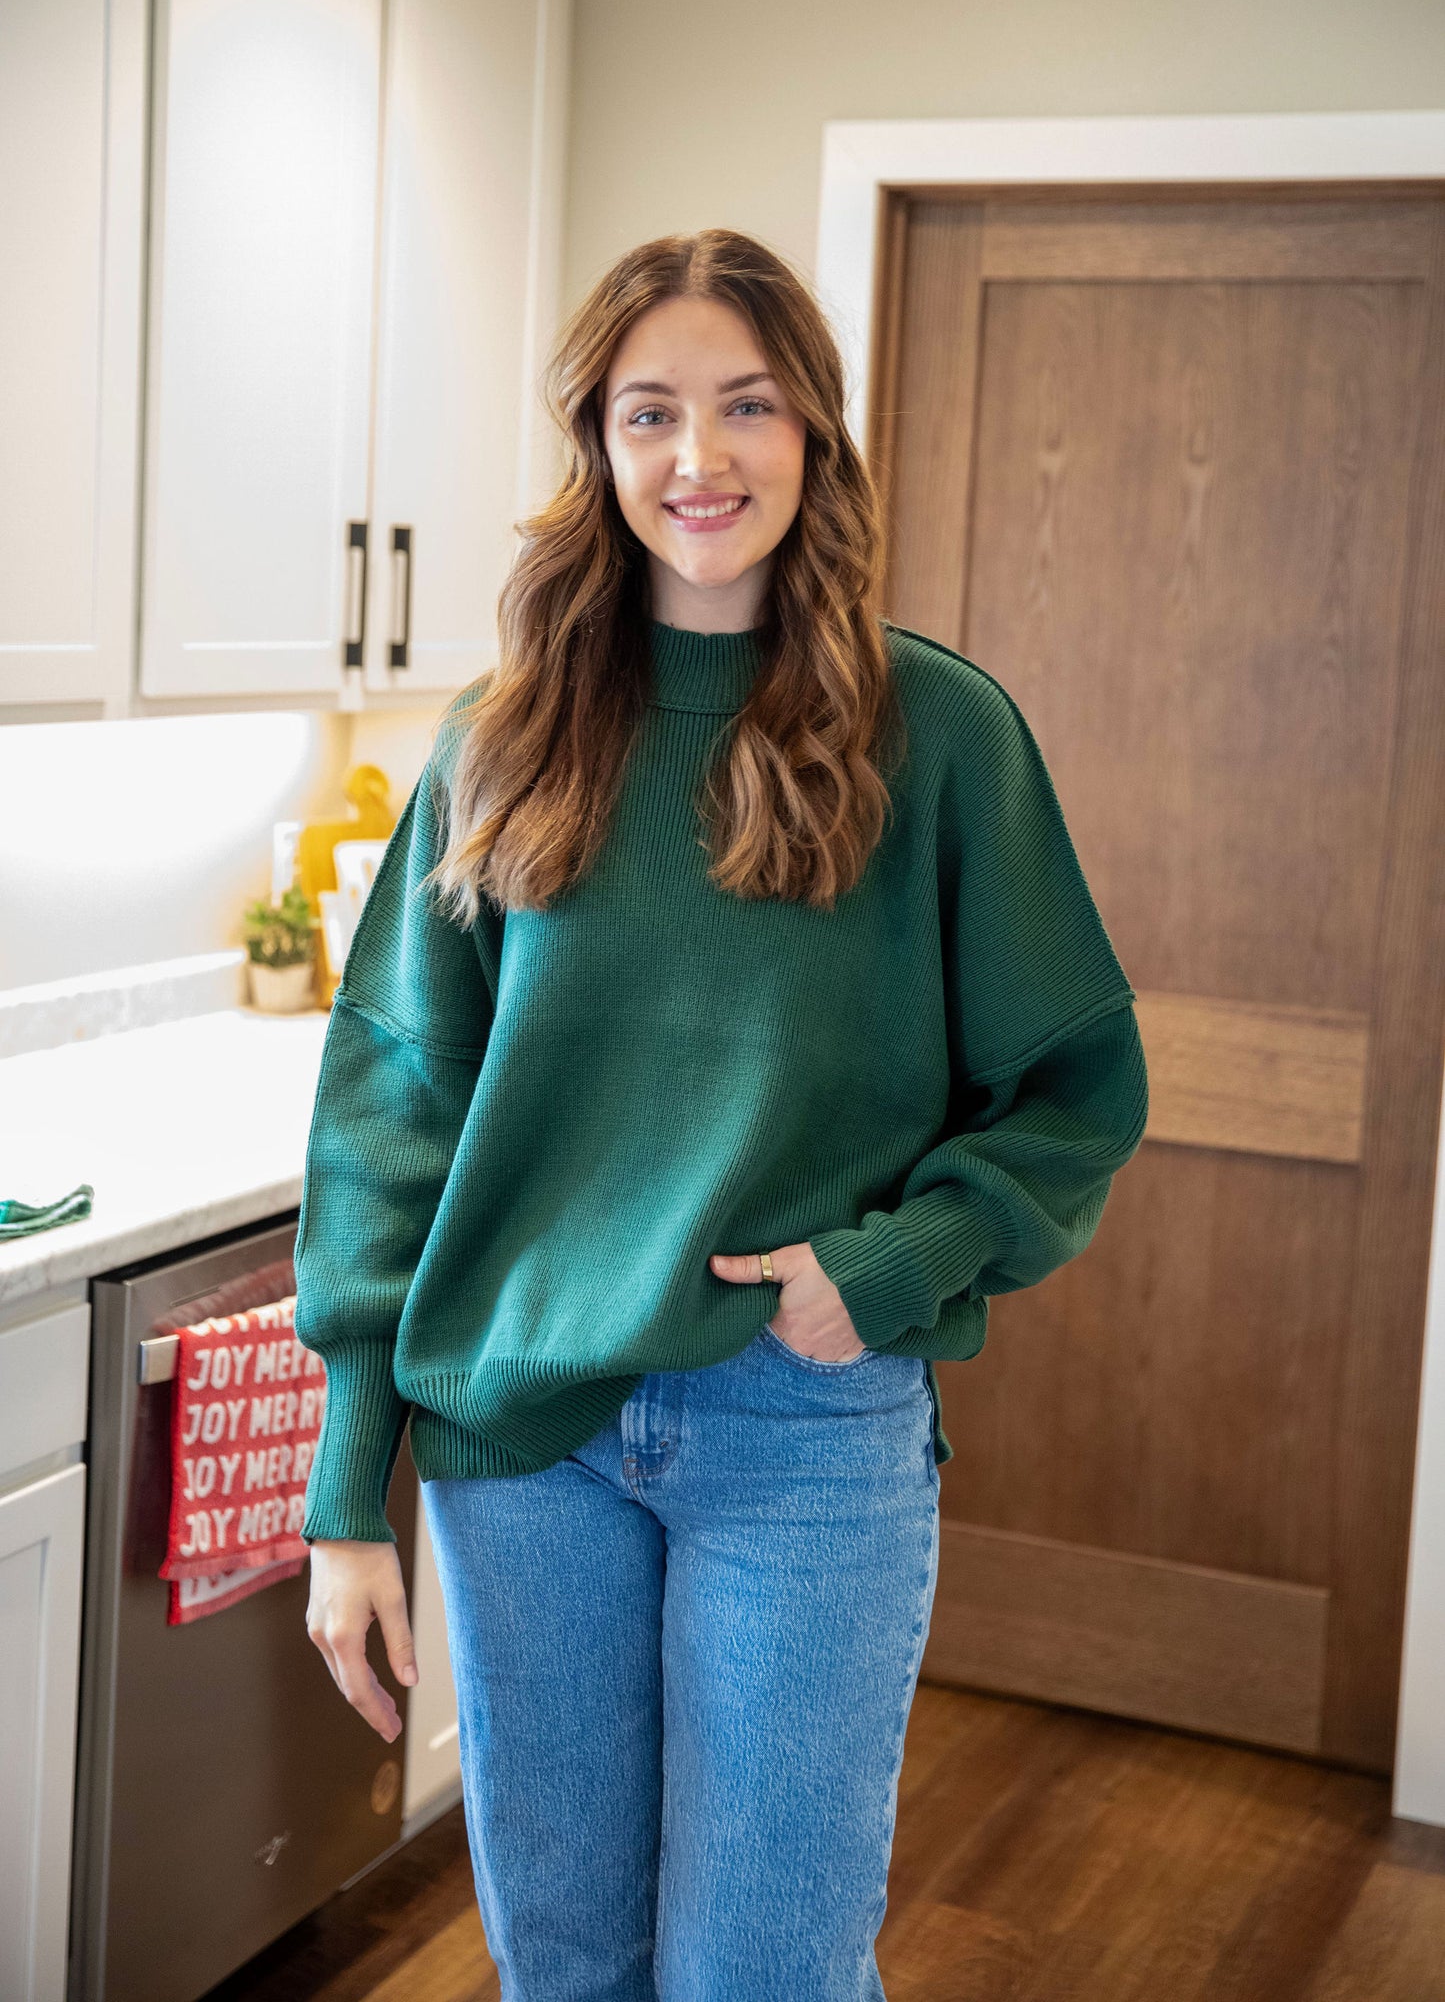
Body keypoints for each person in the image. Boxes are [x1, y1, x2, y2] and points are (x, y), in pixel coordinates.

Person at [294, 227, 1149, 2001]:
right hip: (522, 1439)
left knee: (762, 1969)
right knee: (568, 1964)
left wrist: (902, 1260)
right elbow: (392, 1111)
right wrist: (343, 1500)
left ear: (811, 434)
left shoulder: (939, 733)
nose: (699, 459)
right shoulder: (501, 740)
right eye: (649, 412)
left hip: (804, 1430)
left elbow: (1078, 1082)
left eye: (745, 406)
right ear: (596, 450)